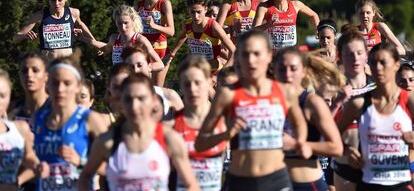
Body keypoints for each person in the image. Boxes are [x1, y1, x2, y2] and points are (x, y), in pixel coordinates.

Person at [195, 30, 310, 191]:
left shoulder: (285, 92)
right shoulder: (227, 94)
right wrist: (226, 135)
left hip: (276, 179)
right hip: (241, 181)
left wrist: (299, 142)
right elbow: (200, 143)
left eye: (257, 54)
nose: (251, 60)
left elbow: (300, 124)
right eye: (245, 54)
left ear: (269, 55)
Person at [78, 73, 200, 191]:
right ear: (120, 102)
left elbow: (191, 185)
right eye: (128, 99)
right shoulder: (107, 141)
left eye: (141, 98)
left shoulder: (170, 139)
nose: (134, 106)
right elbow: (85, 177)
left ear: (154, 101)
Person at [338, 42, 414, 191]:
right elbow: (332, 135)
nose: (378, 67)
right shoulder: (359, 103)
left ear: (396, 65)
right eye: (373, 63)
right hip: (368, 184)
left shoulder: (409, 99)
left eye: (383, 62)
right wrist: (347, 151)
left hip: (401, 185)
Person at [33, 53, 107, 190]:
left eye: (67, 83)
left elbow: (116, 166)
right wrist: (35, 167)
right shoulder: (39, 118)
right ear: (47, 85)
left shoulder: (90, 119)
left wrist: (81, 162)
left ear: (78, 87)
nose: (60, 89)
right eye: (55, 83)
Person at [273, 47, 343, 190]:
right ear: (274, 71)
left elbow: (336, 147)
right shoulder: (268, 103)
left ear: (304, 71)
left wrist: (299, 145)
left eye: (293, 69)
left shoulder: (312, 102)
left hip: (307, 184)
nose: (287, 74)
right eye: (281, 69)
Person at [164, 55, 227, 190]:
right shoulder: (170, 128)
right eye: (187, 84)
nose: (192, 89)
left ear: (209, 81)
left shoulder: (224, 122)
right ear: (180, 85)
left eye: (197, 82)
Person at [333, 25, 376, 191]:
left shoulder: (378, 86)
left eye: (359, 53)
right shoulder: (332, 88)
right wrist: (345, 149)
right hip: (345, 163)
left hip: (376, 163)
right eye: (349, 54)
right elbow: (323, 129)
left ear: (366, 55)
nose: (355, 58)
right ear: (340, 56)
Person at [14, 0, 97, 60]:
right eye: (53, 0)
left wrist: (95, 43)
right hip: (48, 66)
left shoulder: (73, 13)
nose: (56, 4)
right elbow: (16, 38)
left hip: (66, 65)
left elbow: (81, 25)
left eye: (60, 0)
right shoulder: (39, 16)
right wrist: (25, 35)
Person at [0, 69, 50, 190]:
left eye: (2, 96)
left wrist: (39, 166)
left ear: (9, 97)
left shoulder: (19, 129)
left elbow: (29, 157)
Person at [168, 0, 236, 75]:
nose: (196, 16)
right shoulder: (187, 25)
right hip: (196, 72)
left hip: (214, 72)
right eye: (192, 12)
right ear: (188, 10)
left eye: (199, 12)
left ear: (205, 9)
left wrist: (221, 74)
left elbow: (233, 51)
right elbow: (182, 36)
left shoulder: (213, 26)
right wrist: (171, 55)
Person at [253, 0, 319, 50]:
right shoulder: (264, 7)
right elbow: (253, 30)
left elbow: (314, 15)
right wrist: (269, 24)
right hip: (273, 56)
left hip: (291, 53)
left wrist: (317, 31)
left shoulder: (296, 5)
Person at [93, 5, 164, 71]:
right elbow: (105, 49)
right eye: (119, 23)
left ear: (133, 20)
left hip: (136, 82)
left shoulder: (140, 40)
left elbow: (160, 64)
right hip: (120, 82)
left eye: (126, 23)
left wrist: (141, 68)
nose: (123, 27)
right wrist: (86, 39)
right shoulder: (114, 39)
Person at [121, 45, 184, 120]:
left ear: (149, 65)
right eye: (130, 67)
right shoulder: (119, 99)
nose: (136, 71)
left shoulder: (169, 95)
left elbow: (184, 129)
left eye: (140, 65)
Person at [136, 0, 175, 87]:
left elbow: (171, 31)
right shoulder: (138, 3)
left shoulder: (164, 3)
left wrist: (154, 26)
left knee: (157, 90)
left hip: (159, 50)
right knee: (143, 87)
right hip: (143, 50)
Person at [9, 52, 49, 128]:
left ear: (47, 75)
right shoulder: (10, 110)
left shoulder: (58, 109)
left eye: (35, 70)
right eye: (24, 71)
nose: (29, 75)